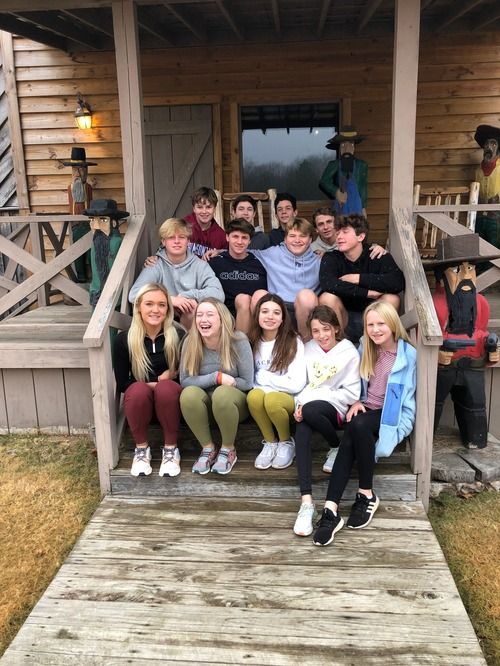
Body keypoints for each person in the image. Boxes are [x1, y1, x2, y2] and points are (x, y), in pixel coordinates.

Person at [312, 301, 417, 546]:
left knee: (357, 425)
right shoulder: (366, 347)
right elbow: (357, 383)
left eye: (381, 324)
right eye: (370, 324)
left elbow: (405, 402)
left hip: (391, 414)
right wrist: (357, 401)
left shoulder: (408, 355)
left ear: (393, 324)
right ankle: (331, 509)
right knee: (354, 428)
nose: (375, 330)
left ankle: (364, 494)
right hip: (366, 410)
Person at [425, 234, 500, 449]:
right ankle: (425, 442)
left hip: (473, 365)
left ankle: (475, 439)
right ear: (441, 276)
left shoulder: (481, 303)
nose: (466, 276)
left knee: (475, 405)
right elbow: (423, 337)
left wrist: (490, 348)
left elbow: (482, 331)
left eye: (470, 269)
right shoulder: (433, 304)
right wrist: (435, 354)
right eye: (458, 270)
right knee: (431, 404)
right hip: (443, 366)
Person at [293, 305, 361, 536]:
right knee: (302, 426)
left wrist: (311, 401)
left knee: (310, 411)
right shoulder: (308, 349)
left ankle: (335, 445)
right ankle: (306, 502)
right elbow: (302, 384)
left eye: (326, 329)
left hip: (335, 406)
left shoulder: (349, 352)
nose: (321, 335)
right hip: (309, 402)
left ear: (335, 328)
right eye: (316, 331)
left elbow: (351, 393)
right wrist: (299, 404)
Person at [113, 283, 184, 478]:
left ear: (168, 309)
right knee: (137, 390)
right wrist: (154, 383)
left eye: (162, 305)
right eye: (149, 304)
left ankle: (171, 449)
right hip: (140, 404)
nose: (155, 310)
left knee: (166, 388)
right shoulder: (124, 340)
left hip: (170, 404)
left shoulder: (178, 335)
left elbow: (186, 376)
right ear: (138, 307)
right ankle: (142, 449)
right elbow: (123, 383)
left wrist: (168, 378)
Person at [179, 298, 254, 475]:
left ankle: (228, 449)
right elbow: (185, 380)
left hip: (233, 406)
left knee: (222, 394)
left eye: (210, 315)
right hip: (205, 407)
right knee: (188, 394)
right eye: (199, 315)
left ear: (222, 319)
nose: (203, 319)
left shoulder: (238, 340)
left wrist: (225, 385)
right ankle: (208, 448)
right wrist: (216, 377)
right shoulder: (190, 341)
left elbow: (247, 382)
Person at [319, 214, 404, 343]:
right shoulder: (331, 257)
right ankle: (338, 346)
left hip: (373, 318)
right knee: (327, 297)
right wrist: (367, 293)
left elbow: (397, 282)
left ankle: (377, 346)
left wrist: (358, 278)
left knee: (392, 298)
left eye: (345, 232)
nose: (339, 237)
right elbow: (328, 283)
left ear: (361, 236)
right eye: (338, 233)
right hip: (343, 317)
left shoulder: (376, 254)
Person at [129, 218, 224, 329]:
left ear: (188, 241)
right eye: (171, 237)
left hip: (190, 321)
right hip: (162, 319)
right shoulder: (155, 264)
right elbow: (134, 295)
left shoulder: (200, 265)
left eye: (182, 237)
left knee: (191, 308)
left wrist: (188, 296)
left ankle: (188, 340)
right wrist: (170, 300)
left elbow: (219, 294)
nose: (177, 241)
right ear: (163, 242)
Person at [247, 294, 307, 471]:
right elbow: (251, 381)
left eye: (276, 313)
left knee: (271, 399)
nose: (270, 317)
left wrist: (266, 378)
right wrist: (266, 383)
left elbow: (297, 384)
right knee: (253, 397)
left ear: (282, 318)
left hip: (288, 398)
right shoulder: (252, 341)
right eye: (265, 311)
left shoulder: (293, 341)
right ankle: (270, 442)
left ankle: (285, 441)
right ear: (257, 315)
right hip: (263, 396)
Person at [209, 218, 268, 334]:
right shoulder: (215, 263)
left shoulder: (259, 263)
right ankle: (242, 344)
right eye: (235, 237)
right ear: (227, 237)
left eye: (244, 238)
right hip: (224, 316)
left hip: (254, 317)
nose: (239, 242)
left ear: (250, 241)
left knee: (251, 297)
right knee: (242, 299)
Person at [84, 199, 128, 307]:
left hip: (113, 293)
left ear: (113, 223)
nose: (96, 226)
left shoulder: (116, 242)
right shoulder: (95, 243)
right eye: (92, 220)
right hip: (96, 291)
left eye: (103, 220)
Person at [319, 125, 368, 217]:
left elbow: (363, 187)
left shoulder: (361, 165)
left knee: (357, 224)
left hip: (356, 206)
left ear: (354, 147)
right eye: (343, 145)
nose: (347, 149)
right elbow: (324, 181)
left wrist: (363, 207)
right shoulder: (334, 164)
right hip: (341, 205)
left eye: (350, 145)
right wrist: (336, 191)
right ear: (340, 148)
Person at [63, 146, 95, 282]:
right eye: (75, 169)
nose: (78, 173)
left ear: (86, 171)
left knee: (91, 252)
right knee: (77, 253)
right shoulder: (70, 188)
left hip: (88, 225)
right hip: (75, 225)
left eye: (81, 169)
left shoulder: (88, 188)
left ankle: (94, 277)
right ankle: (81, 277)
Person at [473, 125, 500, 269]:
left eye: (493, 144)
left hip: (496, 218)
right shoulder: (478, 170)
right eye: (487, 144)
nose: (489, 147)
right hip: (479, 217)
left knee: (495, 248)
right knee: (480, 248)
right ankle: (481, 277)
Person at [184, 186, 228, 257]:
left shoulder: (221, 235)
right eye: (200, 207)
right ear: (194, 209)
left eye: (208, 207)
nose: (204, 211)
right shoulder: (183, 226)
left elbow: (228, 255)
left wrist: (219, 252)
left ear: (214, 209)